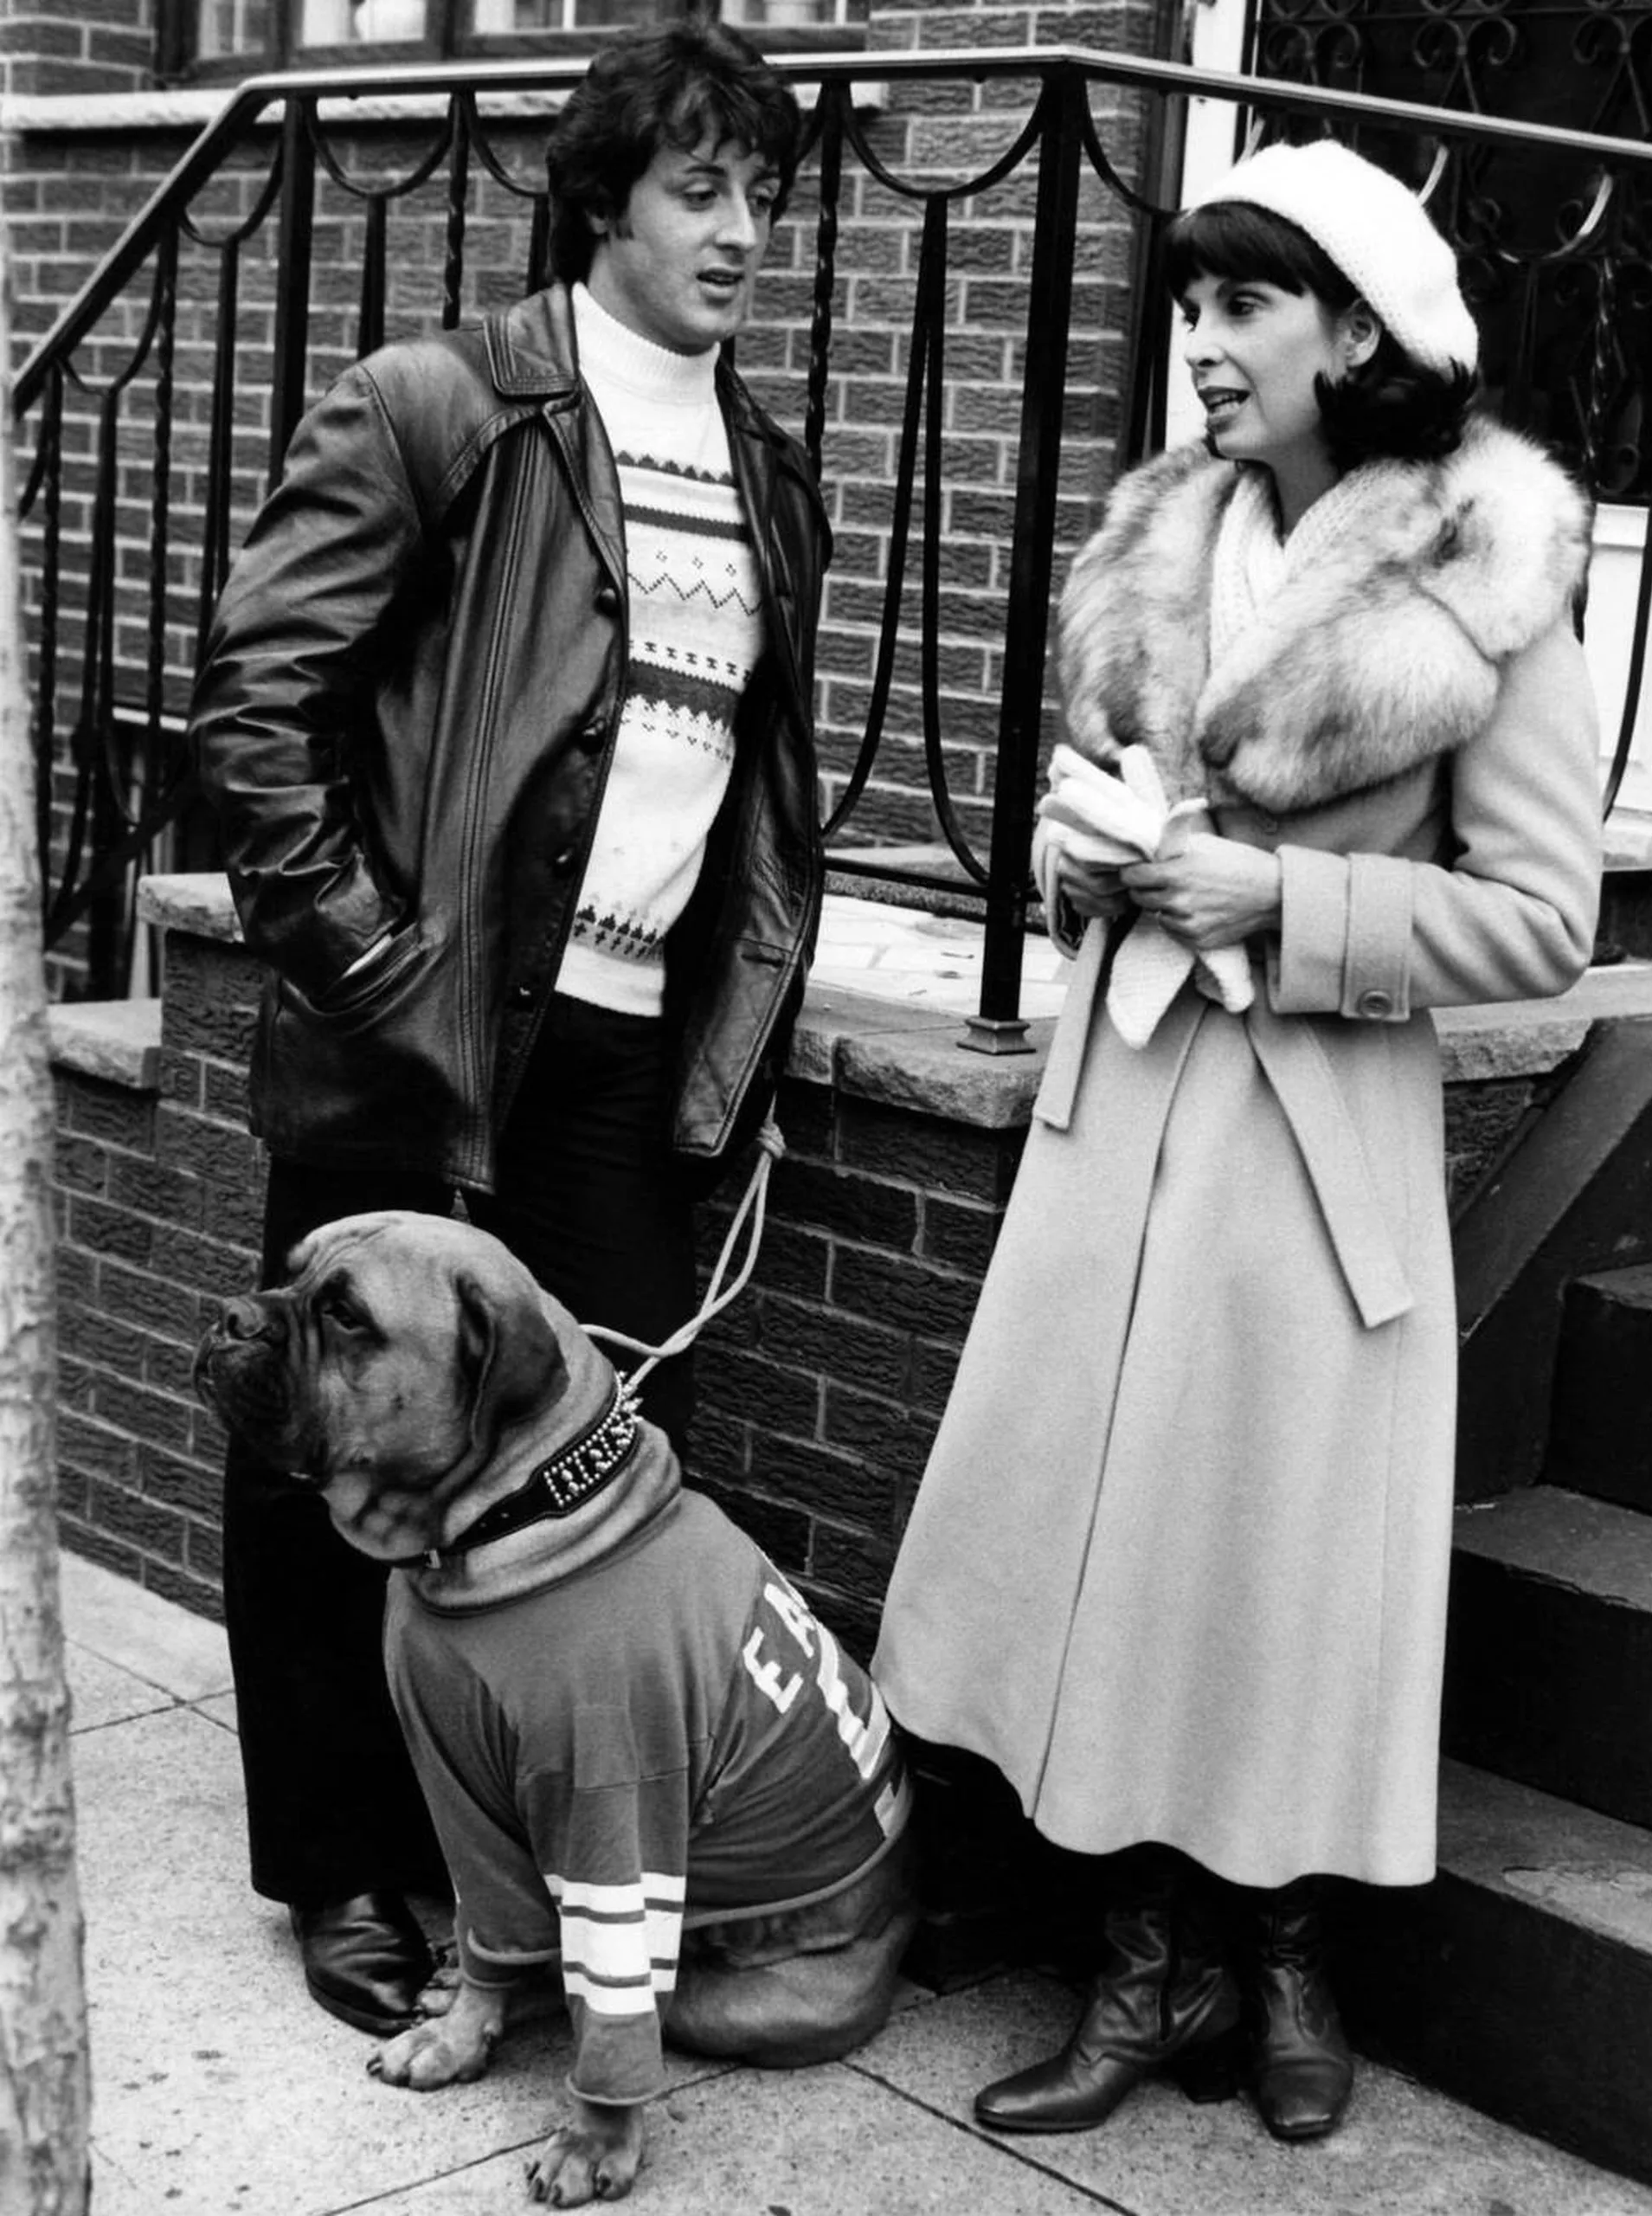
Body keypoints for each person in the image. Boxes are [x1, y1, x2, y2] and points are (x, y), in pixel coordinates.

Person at [871, 138, 1602, 2146]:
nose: (1196, 348)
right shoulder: (1153, 544)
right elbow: (1095, 799)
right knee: (1102, 1540)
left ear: (1351, 333)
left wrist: (1276, 904)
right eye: (1187, 306)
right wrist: (1076, 850)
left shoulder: (1488, 564)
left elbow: (1542, 920)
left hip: (1303, 1138)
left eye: (1238, 307)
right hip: (1118, 1119)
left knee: (1265, 1559)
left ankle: (1276, 1951)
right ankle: (1136, 1959)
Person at [190, 18, 828, 2040]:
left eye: (762, 194)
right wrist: (370, 958)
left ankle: (559, 1876)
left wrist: (737, 1041)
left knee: (596, 1473)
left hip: (630, 1064)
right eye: (698, 187)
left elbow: (754, 786)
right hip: (424, 1035)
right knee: (328, 1444)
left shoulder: (764, 466)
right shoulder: (440, 405)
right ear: (601, 199)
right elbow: (252, 710)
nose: (740, 231)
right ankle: (344, 1864)